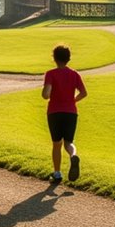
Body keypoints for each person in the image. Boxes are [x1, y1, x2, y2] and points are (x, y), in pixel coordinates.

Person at [42, 44, 88, 182]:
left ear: (54, 58)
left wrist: (47, 93)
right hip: (71, 112)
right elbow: (84, 93)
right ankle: (73, 155)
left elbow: (46, 94)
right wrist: (72, 100)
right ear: (69, 58)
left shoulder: (51, 74)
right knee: (68, 142)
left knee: (57, 144)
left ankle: (57, 174)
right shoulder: (74, 74)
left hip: (54, 112)